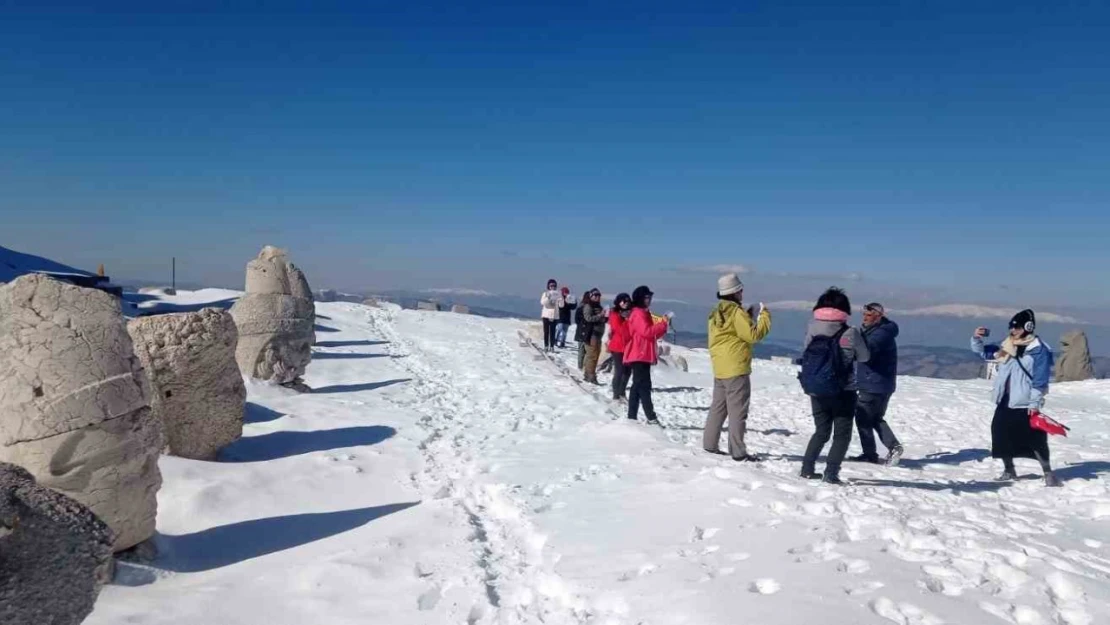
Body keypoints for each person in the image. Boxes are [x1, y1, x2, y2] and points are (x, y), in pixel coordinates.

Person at [971, 309, 1061, 487]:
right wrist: (977, 339)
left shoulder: (1038, 349)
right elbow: (986, 354)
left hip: (1025, 401)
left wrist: (1035, 402)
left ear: (1028, 327)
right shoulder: (1008, 346)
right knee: (1001, 434)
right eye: (1011, 328)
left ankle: (1048, 472)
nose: (1013, 331)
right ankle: (1009, 469)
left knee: (1034, 437)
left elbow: (1040, 378)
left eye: (1017, 328)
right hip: (1005, 398)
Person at [798, 287, 871, 485]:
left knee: (821, 431)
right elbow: (865, 356)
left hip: (816, 388)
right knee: (841, 434)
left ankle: (807, 468)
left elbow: (806, 352)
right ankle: (831, 473)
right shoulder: (850, 332)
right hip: (843, 390)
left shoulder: (812, 328)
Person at [704, 273, 771, 461]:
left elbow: (729, 334)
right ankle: (738, 452)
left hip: (720, 368)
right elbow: (753, 335)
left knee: (718, 408)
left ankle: (709, 445)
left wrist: (746, 316)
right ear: (734, 292)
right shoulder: (736, 312)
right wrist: (765, 316)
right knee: (737, 412)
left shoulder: (715, 313)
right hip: (737, 368)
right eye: (740, 290)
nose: (742, 293)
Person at [851, 303, 904, 466]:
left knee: (863, 417)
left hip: (873, 382)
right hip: (881, 383)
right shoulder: (883, 331)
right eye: (864, 315)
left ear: (878, 316)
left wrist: (850, 349)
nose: (865, 318)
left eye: (869, 315)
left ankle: (873, 452)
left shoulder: (880, 334)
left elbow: (867, 353)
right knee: (874, 418)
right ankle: (888, 447)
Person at [624, 286, 671, 423]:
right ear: (640, 298)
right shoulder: (638, 313)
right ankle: (650, 416)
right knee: (643, 386)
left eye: (650, 297)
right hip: (639, 353)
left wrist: (664, 326)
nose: (649, 300)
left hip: (643, 353)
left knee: (638, 386)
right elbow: (646, 332)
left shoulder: (643, 313)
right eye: (646, 297)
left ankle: (632, 416)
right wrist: (661, 324)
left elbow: (652, 334)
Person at [607, 293, 633, 401]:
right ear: (619, 302)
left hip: (628, 346)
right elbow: (619, 329)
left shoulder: (630, 313)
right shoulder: (614, 314)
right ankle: (616, 394)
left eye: (627, 302)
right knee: (619, 370)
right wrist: (627, 320)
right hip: (617, 346)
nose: (626, 304)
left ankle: (622, 392)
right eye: (623, 302)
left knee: (628, 371)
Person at [580, 289, 607, 384]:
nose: (597, 297)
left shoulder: (598, 306)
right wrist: (600, 315)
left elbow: (600, 319)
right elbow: (588, 318)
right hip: (592, 334)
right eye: (595, 295)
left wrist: (605, 317)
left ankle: (588, 374)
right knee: (592, 355)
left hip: (598, 333)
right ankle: (591, 376)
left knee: (594, 354)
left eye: (599, 295)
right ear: (591, 296)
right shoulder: (588, 306)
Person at [540, 279, 560, 352]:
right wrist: (548, 298)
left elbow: (561, 305)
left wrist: (561, 299)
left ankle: (552, 346)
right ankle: (546, 346)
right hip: (546, 315)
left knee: (553, 331)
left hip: (554, 315)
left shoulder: (558, 294)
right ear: (548, 286)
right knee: (546, 331)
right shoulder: (545, 293)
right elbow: (542, 303)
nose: (553, 287)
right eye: (551, 285)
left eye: (554, 285)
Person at [574, 290, 590, 369]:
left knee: (581, 350)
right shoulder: (589, 308)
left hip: (580, 330)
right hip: (586, 331)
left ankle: (580, 366)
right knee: (586, 350)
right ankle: (583, 366)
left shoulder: (580, 307)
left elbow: (576, 320)